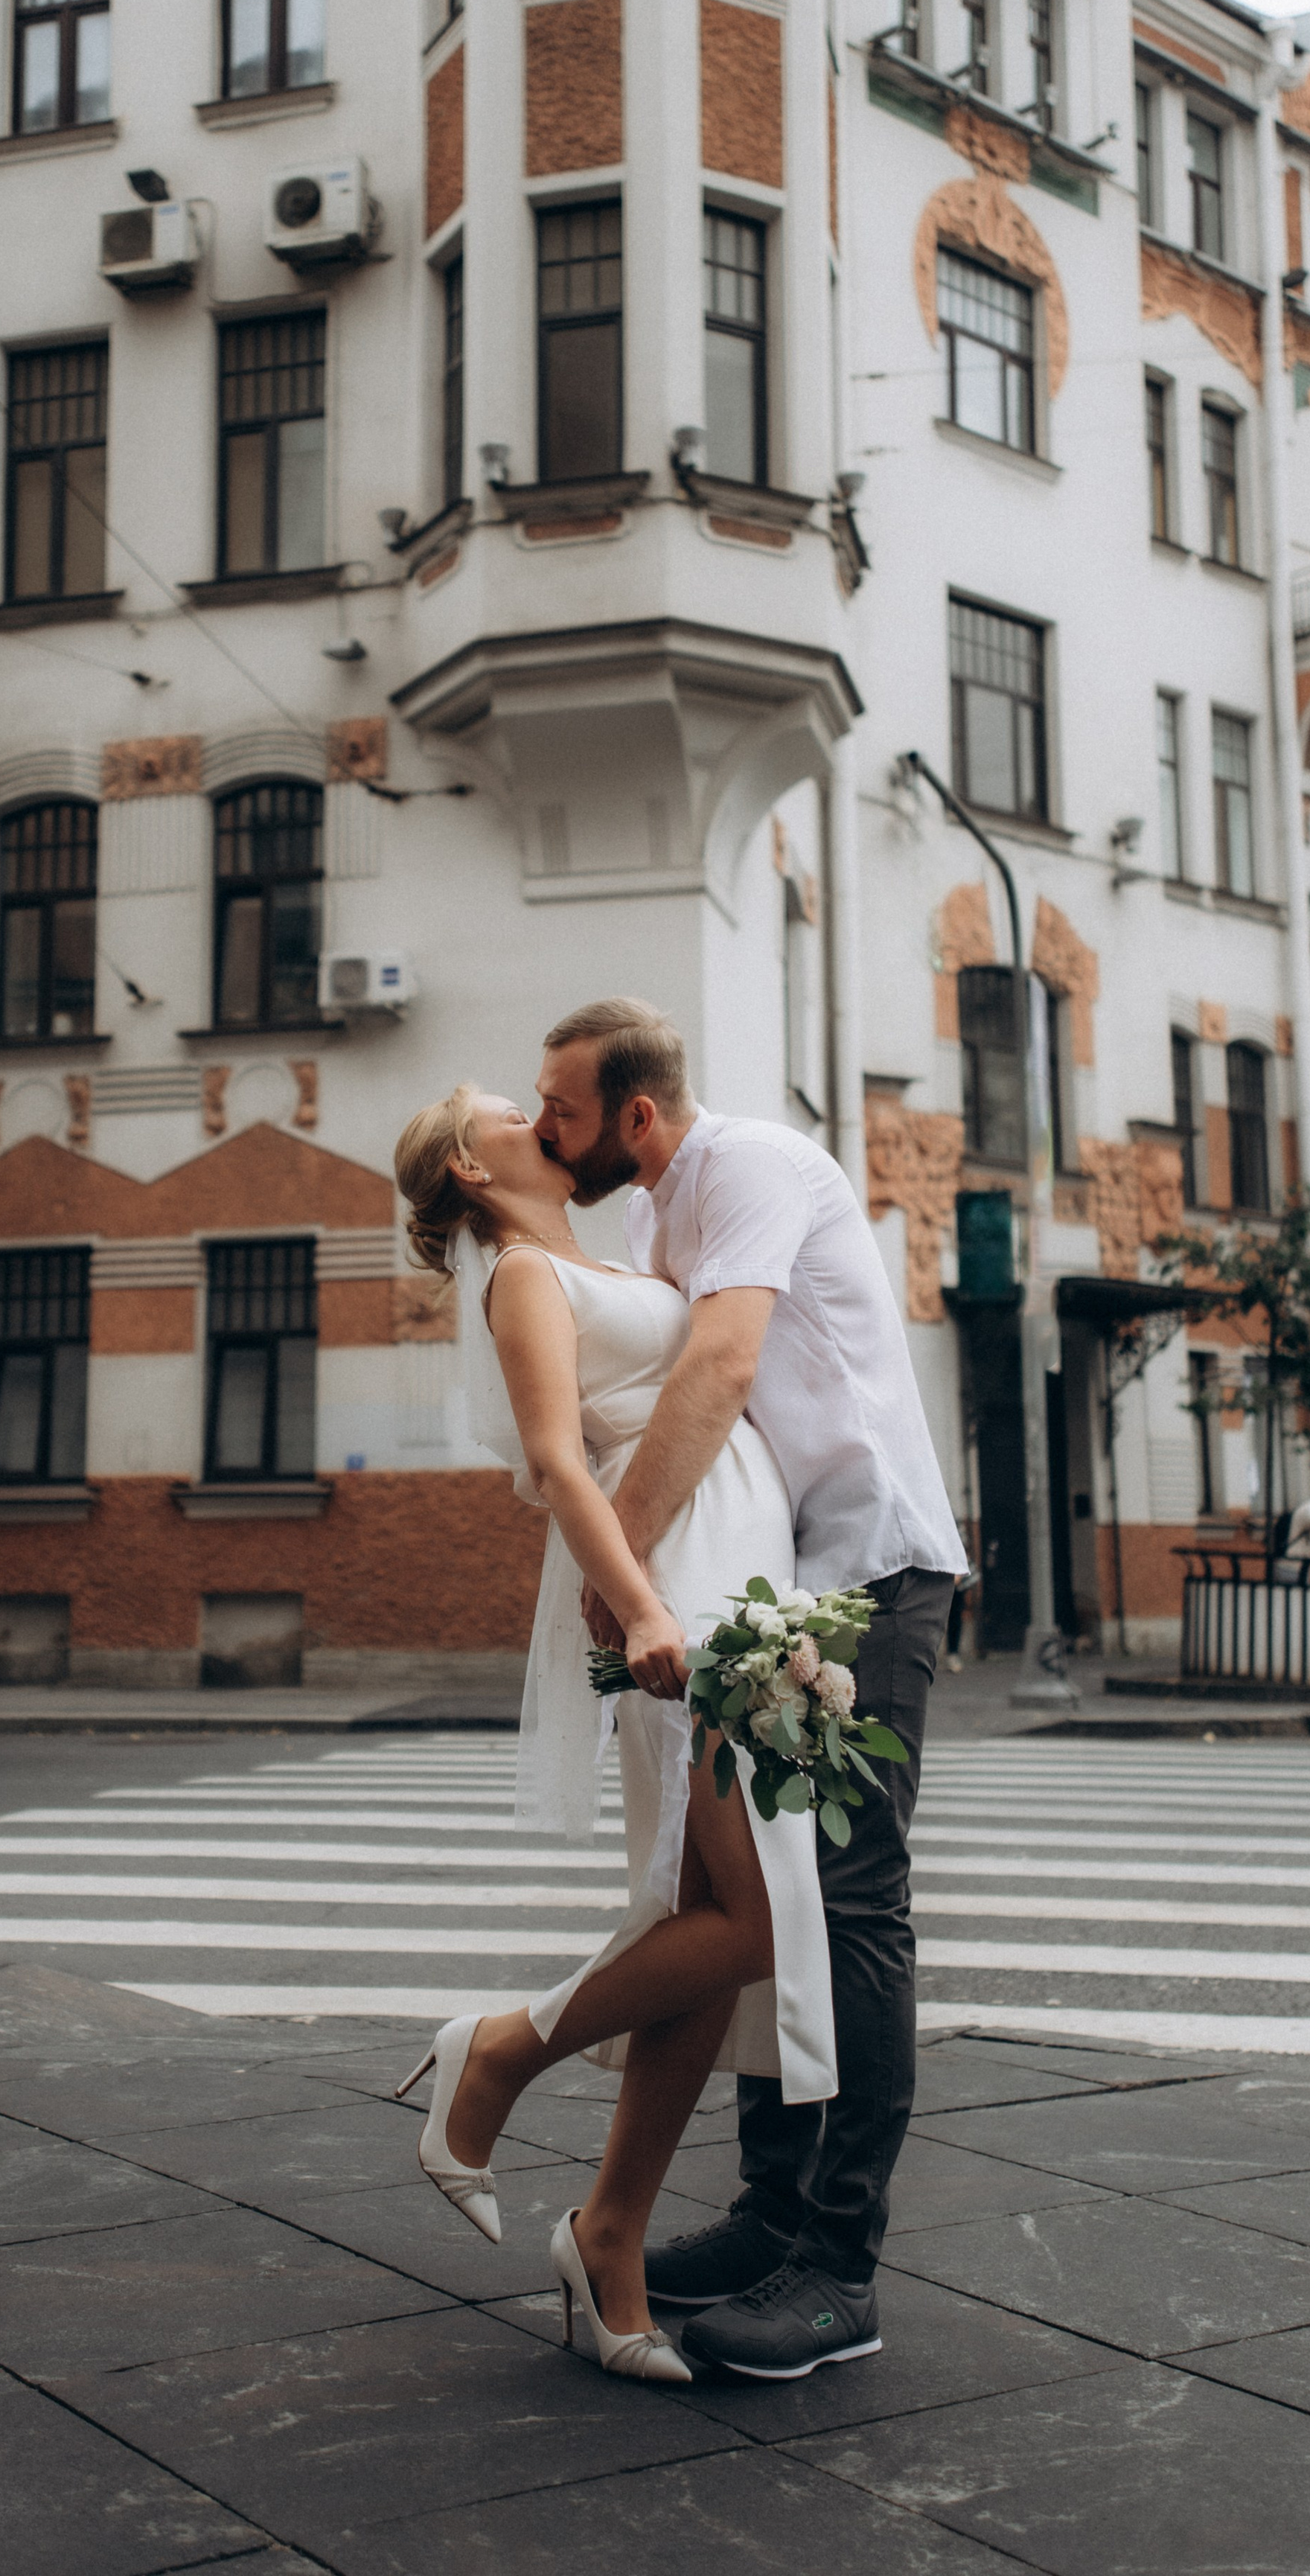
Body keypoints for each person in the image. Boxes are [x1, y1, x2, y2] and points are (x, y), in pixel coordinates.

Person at [532, 998, 965, 2382]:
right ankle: (770, 2214)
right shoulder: (659, 1219)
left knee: (851, 1900)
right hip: (779, 1590)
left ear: (638, 1116)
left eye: (566, 1110)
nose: (551, 1129)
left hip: (874, 1568)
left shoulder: (755, 1168)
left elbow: (719, 1366)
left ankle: (840, 2266)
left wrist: (627, 1575)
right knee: (770, 1900)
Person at [392, 1082, 837, 2388]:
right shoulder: (525, 1272)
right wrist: (640, 1600)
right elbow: (558, 1460)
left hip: (741, 1565)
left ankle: (611, 2243)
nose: (536, 1106)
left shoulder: (606, 1250)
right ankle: (502, 2050)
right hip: (678, 1582)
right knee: (746, 1919)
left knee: (704, 1925)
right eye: (503, 1104)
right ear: (472, 1165)